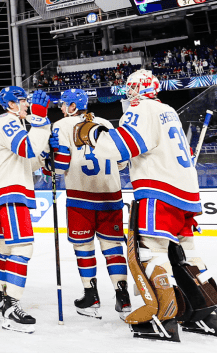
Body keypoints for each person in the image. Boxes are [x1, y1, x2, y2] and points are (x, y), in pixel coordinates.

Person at [74, 69, 217, 340]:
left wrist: (94, 135)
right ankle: (205, 313)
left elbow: (122, 146)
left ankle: (163, 318)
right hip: (186, 192)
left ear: (135, 90)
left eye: (129, 90)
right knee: (186, 252)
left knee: (151, 252)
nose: (128, 95)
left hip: (159, 191)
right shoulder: (168, 110)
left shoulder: (140, 109)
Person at [0, 85, 54, 333]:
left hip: (4, 191)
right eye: (22, 101)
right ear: (11, 104)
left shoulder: (13, 124)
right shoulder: (7, 121)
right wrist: (41, 122)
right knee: (22, 247)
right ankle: (11, 306)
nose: (26, 105)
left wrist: (45, 157)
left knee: (5, 247)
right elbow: (28, 148)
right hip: (9, 192)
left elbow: (29, 160)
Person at [50, 89, 130, 319]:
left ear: (73, 106)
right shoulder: (106, 122)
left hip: (80, 197)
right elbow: (123, 161)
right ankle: (123, 298)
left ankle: (91, 296)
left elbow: (60, 165)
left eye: (64, 105)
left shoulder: (62, 126)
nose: (62, 109)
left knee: (84, 248)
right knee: (114, 249)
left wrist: (49, 161)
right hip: (111, 195)